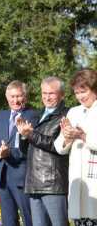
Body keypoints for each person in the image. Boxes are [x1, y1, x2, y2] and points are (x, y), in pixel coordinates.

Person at [16, 77, 69, 226]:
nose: (47, 97)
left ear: (62, 94)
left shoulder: (66, 115)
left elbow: (58, 146)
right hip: (33, 182)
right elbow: (25, 150)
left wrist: (30, 134)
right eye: (44, 93)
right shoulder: (37, 115)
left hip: (53, 183)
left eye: (51, 93)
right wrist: (23, 136)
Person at [0, 80, 38, 226]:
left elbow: (29, 147)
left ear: (25, 97)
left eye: (19, 96)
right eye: (12, 96)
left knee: (30, 220)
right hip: (2, 177)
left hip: (22, 176)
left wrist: (9, 153)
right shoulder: (0, 116)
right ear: (7, 97)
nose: (15, 100)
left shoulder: (32, 116)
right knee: (8, 221)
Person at [54, 68, 97, 226]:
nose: (80, 96)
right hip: (78, 183)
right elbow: (59, 147)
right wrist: (67, 136)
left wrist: (82, 136)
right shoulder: (73, 112)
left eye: (83, 91)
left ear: (94, 88)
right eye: (77, 92)